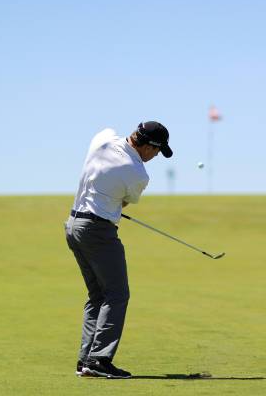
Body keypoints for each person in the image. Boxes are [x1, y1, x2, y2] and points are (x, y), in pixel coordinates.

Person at [64, 121, 173, 379]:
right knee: (117, 295)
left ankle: (86, 360)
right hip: (98, 231)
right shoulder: (138, 173)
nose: (156, 157)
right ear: (148, 147)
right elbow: (124, 202)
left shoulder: (103, 138)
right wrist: (109, 205)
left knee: (98, 296)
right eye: (157, 152)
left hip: (73, 225)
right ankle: (99, 360)